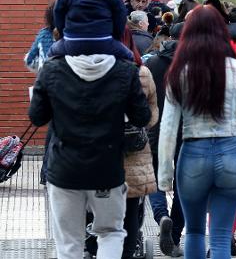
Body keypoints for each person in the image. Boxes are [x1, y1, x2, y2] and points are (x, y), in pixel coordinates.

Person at [158, 5, 236, 258]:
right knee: (219, 236)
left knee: (194, 231)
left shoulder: (180, 72)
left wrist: (165, 174)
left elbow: (168, 129)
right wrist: (235, 123)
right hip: (231, 154)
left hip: (193, 154)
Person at [28, 50, 151, 259]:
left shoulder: (53, 68)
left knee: (69, 243)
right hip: (107, 165)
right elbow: (143, 116)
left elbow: (37, 116)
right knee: (111, 233)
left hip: (65, 166)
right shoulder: (125, 69)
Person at [145, 23, 185, 257]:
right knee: (183, 185)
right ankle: (175, 235)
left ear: (169, 37)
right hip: (186, 133)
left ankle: (162, 216)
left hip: (156, 130)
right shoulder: (194, 65)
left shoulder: (152, 63)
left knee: (156, 178)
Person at [120, 27, 159, 259]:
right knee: (131, 207)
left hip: (100, 151)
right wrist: (141, 127)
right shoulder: (142, 72)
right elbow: (152, 110)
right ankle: (130, 250)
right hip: (135, 150)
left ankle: (94, 247)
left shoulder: (98, 69)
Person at [26, 2, 55, 72]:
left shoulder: (43, 34)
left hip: (47, 79)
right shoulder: (74, 35)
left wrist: (41, 67)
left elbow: (30, 60)